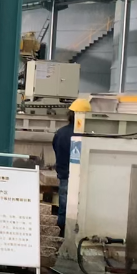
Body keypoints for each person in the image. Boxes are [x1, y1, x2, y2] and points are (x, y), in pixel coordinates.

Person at [52, 98, 90, 234]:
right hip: (84, 176)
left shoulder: (60, 133)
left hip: (64, 175)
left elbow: (55, 148)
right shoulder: (87, 135)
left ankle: (63, 229)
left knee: (65, 202)